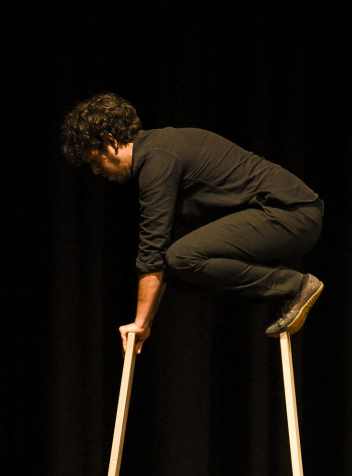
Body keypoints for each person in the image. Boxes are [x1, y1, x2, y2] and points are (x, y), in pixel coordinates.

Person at [60, 92, 325, 354]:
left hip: (292, 213)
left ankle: (296, 286)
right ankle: (288, 289)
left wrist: (140, 322)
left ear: (111, 141)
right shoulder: (158, 153)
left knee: (182, 257)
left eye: (95, 160)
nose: (95, 171)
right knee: (178, 269)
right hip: (284, 216)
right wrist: (145, 326)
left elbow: (152, 251)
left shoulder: (157, 160)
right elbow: (162, 259)